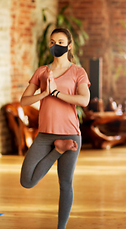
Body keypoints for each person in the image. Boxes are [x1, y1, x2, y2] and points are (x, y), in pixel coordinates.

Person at [20, 28, 90, 229]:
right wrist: (45, 93)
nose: (55, 45)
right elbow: (24, 100)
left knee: (65, 184)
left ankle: (61, 228)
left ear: (69, 46)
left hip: (70, 134)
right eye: (52, 42)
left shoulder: (78, 72)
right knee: (27, 181)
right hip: (45, 135)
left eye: (60, 41)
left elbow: (84, 100)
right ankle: (58, 149)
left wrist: (57, 93)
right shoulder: (42, 71)